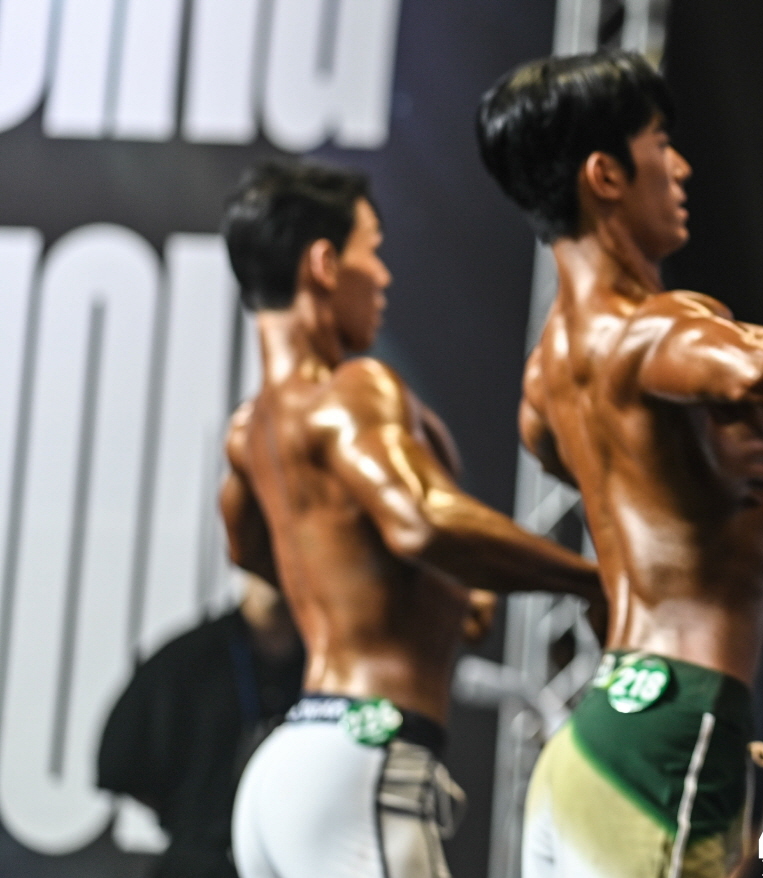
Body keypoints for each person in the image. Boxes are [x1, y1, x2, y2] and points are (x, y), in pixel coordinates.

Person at [476, 51, 763, 878]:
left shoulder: (544, 387)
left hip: (598, 734)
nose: (681, 167)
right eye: (660, 143)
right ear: (605, 175)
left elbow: (662, 515)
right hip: (674, 736)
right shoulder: (657, 328)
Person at [218, 159, 604, 878]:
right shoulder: (354, 388)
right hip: (363, 761)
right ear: (324, 263)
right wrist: (590, 579)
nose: (384, 276)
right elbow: (421, 523)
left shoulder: (249, 433)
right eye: (373, 250)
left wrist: (428, 595)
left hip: (288, 767)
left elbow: (249, 550)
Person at [97, 573, 305, 878]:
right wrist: (192, 821)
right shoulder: (191, 657)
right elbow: (121, 762)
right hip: (202, 860)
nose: (274, 568)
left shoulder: (329, 667)